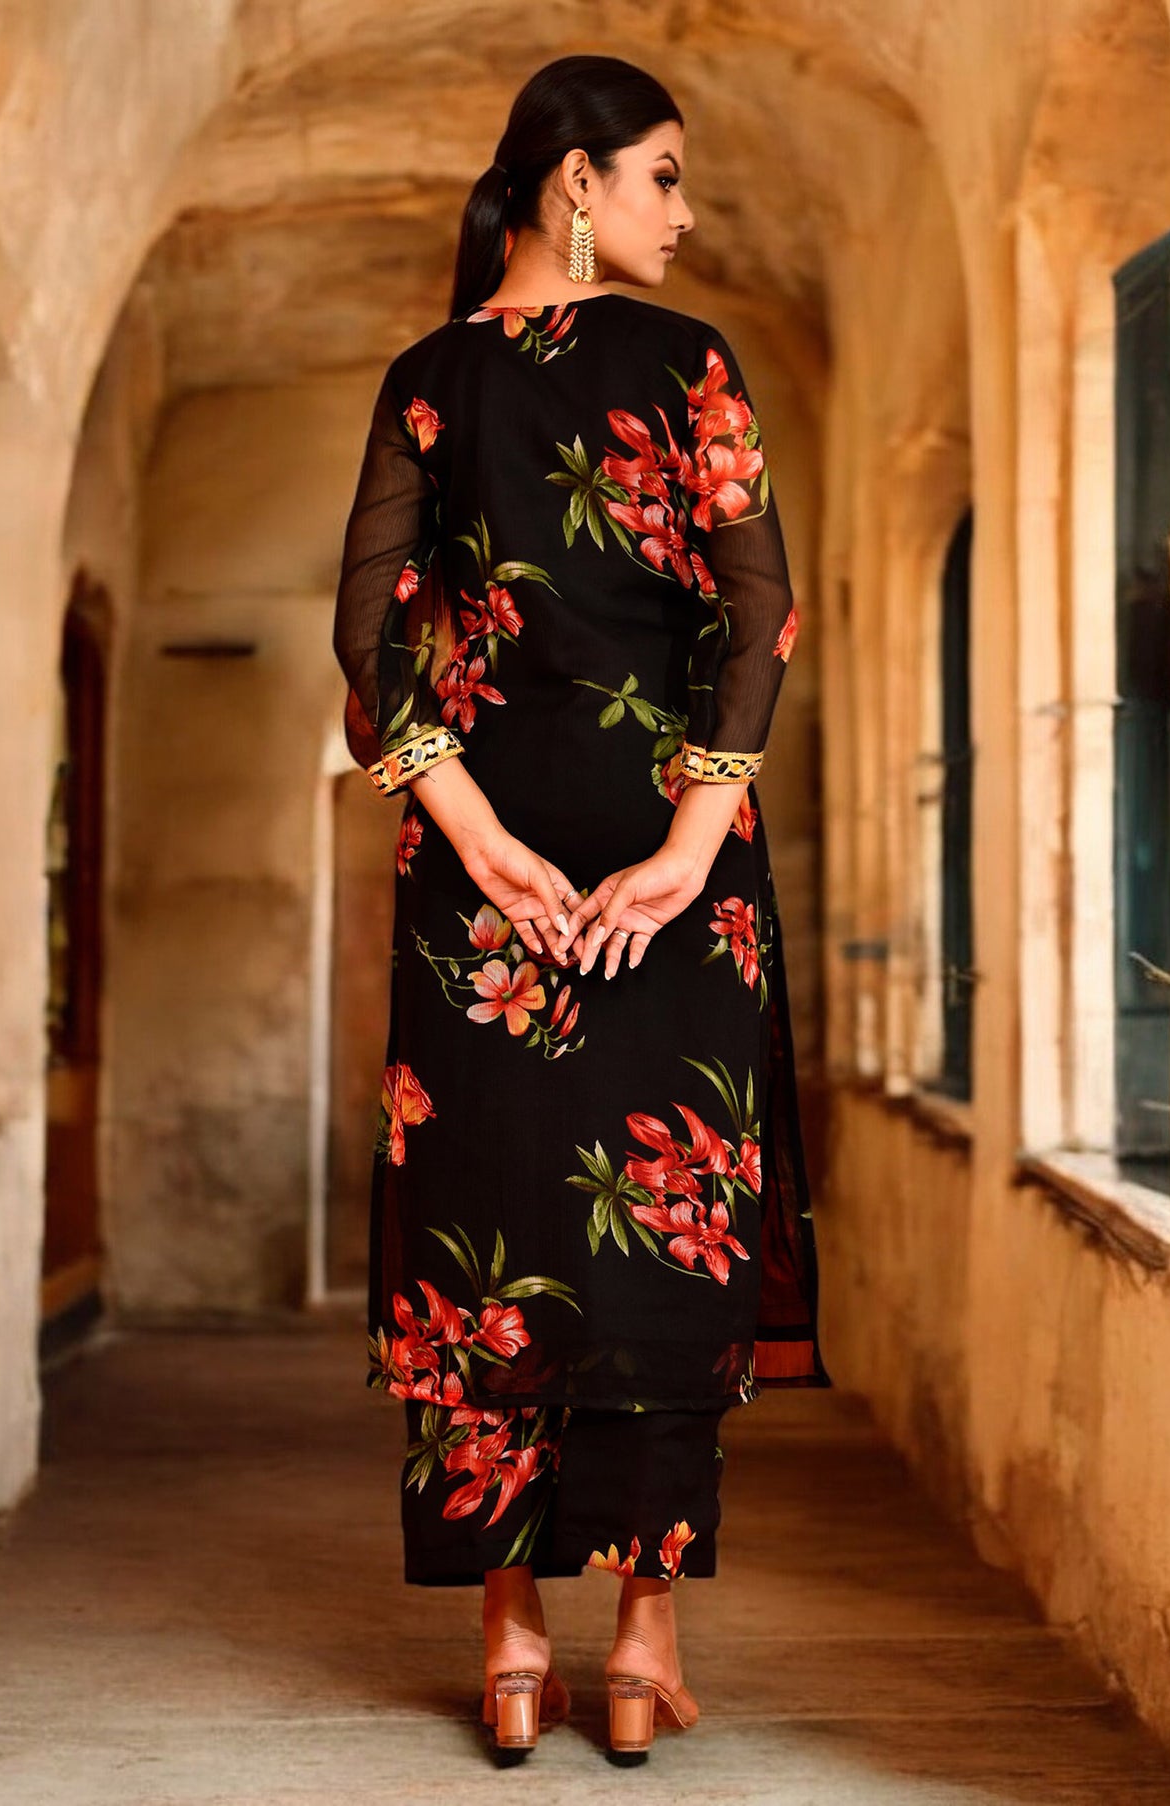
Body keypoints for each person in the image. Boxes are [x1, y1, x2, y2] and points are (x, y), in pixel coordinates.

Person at [331, 51, 829, 1763]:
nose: (681, 214)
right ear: (575, 180)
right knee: (662, 1234)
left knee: (487, 1232)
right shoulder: (687, 363)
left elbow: (370, 637)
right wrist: (692, 848)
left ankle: (510, 1644)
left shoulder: (427, 380)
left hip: (485, 874)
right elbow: (757, 610)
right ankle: (638, 1646)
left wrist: (473, 838)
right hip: (669, 858)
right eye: (662, 176)